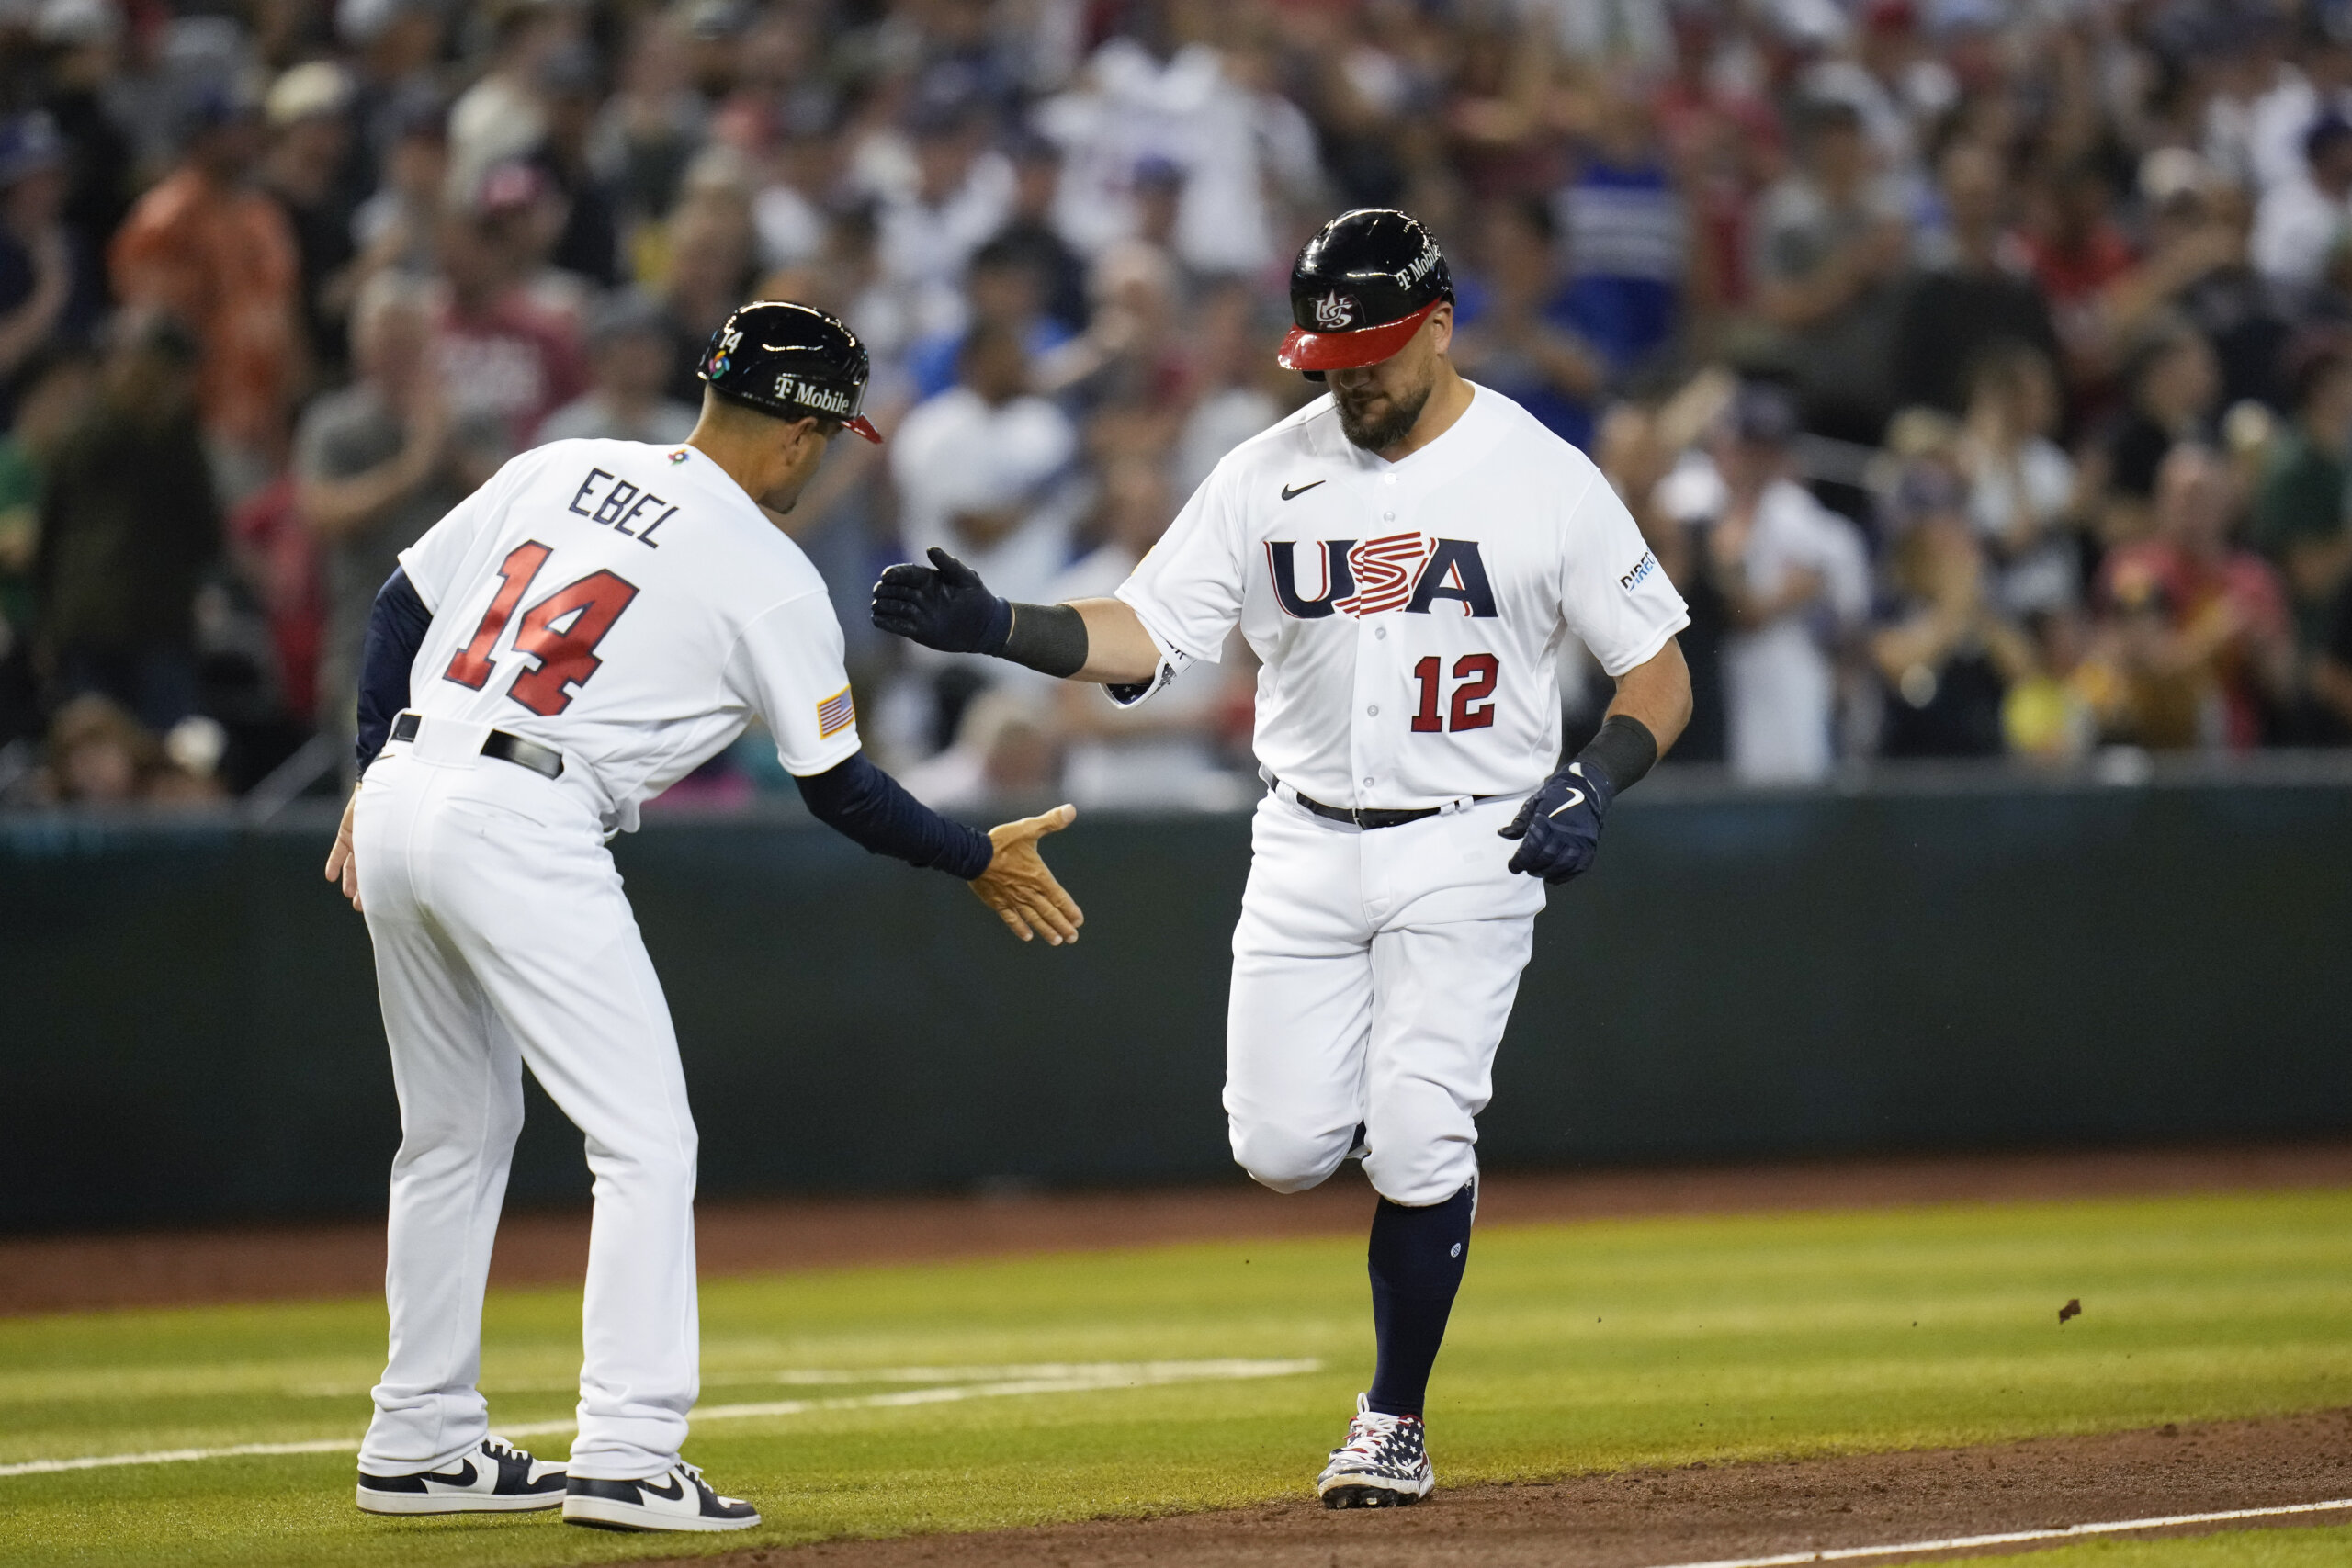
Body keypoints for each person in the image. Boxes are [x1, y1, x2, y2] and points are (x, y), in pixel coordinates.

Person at [872, 210, 1693, 1507]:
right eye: (1331, 353)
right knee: (1280, 1146)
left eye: (1372, 349)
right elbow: (1145, 628)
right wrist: (1000, 624)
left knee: (1421, 1130)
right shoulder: (1269, 469)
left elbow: (1658, 665)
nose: (1348, 375)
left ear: (1438, 325)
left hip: (1476, 836)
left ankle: (1392, 1416)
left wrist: (1597, 776)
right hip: (1303, 836)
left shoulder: (1543, 474)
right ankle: (1406, 1153)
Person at [324, 300, 1084, 1533]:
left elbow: (398, 609)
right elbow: (841, 787)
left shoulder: (563, 461)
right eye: (829, 438)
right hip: (524, 812)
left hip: (411, 784)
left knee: (454, 1131)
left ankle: (420, 1435)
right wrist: (967, 853)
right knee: (644, 1138)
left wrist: (368, 769)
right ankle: (626, 1446)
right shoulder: (771, 572)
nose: (824, 461)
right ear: (799, 433)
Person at [297, 274, 503, 773]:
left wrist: (447, 449)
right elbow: (322, 513)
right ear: (362, 350)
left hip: (468, 644)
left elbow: (514, 507)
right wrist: (414, 465)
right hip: (365, 642)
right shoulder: (335, 424)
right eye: (387, 345)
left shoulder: (470, 419)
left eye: (410, 344)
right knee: (373, 785)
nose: (399, 358)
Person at [31, 311, 220, 731]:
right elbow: (205, 532)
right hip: (129, 624)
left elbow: (50, 533)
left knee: (131, 744)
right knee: (127, 746)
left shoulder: (93, 428)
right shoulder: (162, 436)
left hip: (118, 621)